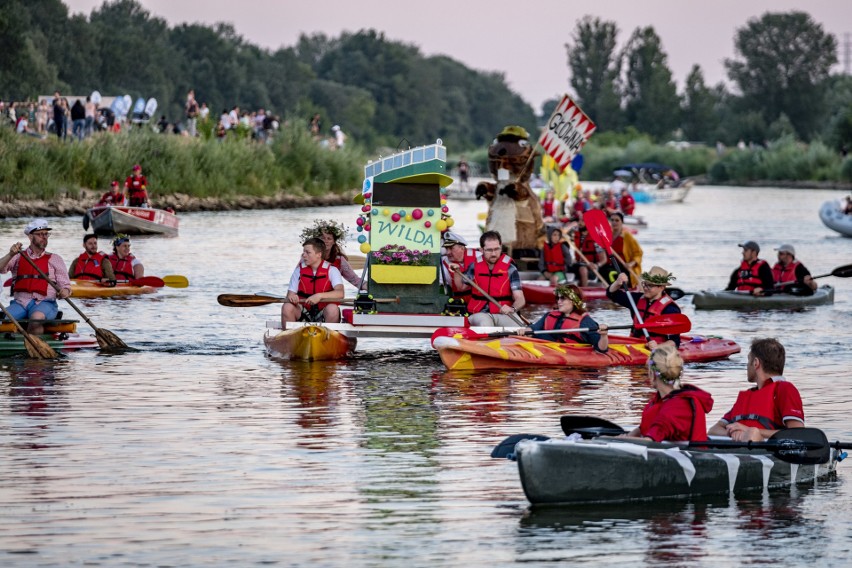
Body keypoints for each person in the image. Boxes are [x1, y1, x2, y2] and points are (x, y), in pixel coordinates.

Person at [708, 338, 804, 442]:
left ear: (755, 363)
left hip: (770, 453)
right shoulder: (747, 397)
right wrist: (733, 432)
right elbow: (713, 430)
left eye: (748, 360)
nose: (747, 366)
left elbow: (798, 434)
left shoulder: (785, 389)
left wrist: (751, 431)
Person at [621, 343, 714, 442]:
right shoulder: (662, 399)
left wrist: (612, 441)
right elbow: (644, 427)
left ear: (652, 375)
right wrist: (627, 436)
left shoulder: (676, 407)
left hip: (682, 454)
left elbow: (650, 441)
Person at [0, 219, 72, 334]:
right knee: (3, 319)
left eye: (46, 234)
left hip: (45, 303)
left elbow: (66, 286)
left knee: (35, 319)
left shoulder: (55, 259)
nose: (44, 237)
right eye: (40, 234)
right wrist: (10, 254)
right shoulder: (17, 256)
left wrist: (65, 291)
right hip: (20, 303)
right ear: (30, 237)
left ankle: (35, 348)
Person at [454, 231, 525, 327]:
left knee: (521, 330)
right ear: (482, 250)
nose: (494, 254)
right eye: (489, 250)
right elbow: (461, 287)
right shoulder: (474, 266)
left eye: (497, 249)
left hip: (504, 313)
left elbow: (520, 298)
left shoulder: (510, 268)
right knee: (485, 325)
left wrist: (512, 309)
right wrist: (456, 271)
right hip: (480, 313)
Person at [607, 266, 681, 348]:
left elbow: (675, 341)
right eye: (645, 284)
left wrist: (658, 347)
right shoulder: (636, 299)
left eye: (650, 286)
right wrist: (617, 282)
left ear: (661, 287)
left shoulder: (670, 309)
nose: (645, 288)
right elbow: (611, 294)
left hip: (656, 346)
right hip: (634, 343)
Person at [522, 284, 608, 352]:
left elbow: (602, 349)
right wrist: (524, 331)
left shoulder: (585, 322)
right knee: (536, 333)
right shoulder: (549, 315)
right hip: (549, 348)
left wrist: (604, 335)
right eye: (557, 298)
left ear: (573, 301)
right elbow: (534, 329)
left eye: (562, 298)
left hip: (572, 355)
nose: (559, 302)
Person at [282, 237, 345, 326]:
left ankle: (328, 336)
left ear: (318, 254)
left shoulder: (332, 270)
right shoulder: (298, 271)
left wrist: (319, 296)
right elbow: (290, 295)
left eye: (308, 252)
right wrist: (292, 297)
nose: (303, 255)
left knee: (333, 308)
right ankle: (289, 336)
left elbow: (340, 293)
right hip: (303, 311)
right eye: (303, 252)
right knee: (287, 307)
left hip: (323, 312)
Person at [299, 220, 362, 289]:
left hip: (331, 297)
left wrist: (372, 287)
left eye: (329, 238)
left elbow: (355, 281)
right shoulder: (306, 257)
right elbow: (297, 278)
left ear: (334, 242)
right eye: (322, 238)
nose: (325, 241)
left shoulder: (339, 260)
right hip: (309, 297)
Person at [440, 232, 478, 307]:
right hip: (459, 305)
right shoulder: (443, 265)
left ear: (462, 248)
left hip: (479, 303)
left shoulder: (478, 257)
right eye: (446, 249)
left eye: (451, 248)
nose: (448, 252)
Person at [568, 217, 607, 287]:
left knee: (583, 269)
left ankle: (584, 293)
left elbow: (604, 259)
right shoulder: (575, 232)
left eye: (583, 221)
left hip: (591, 268)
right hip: (577, 264)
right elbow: (561, 232)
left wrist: (597, 265)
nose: (580, 223)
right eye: (579, 220)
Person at [609, 211, 643, 286]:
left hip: (624, 266)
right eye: (612, 220)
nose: (614, 222)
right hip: (610, 265)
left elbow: (638, 253)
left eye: (617, 220)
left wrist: (631, 263)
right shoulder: (607, 236)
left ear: (622, 222)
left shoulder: (627, 236)